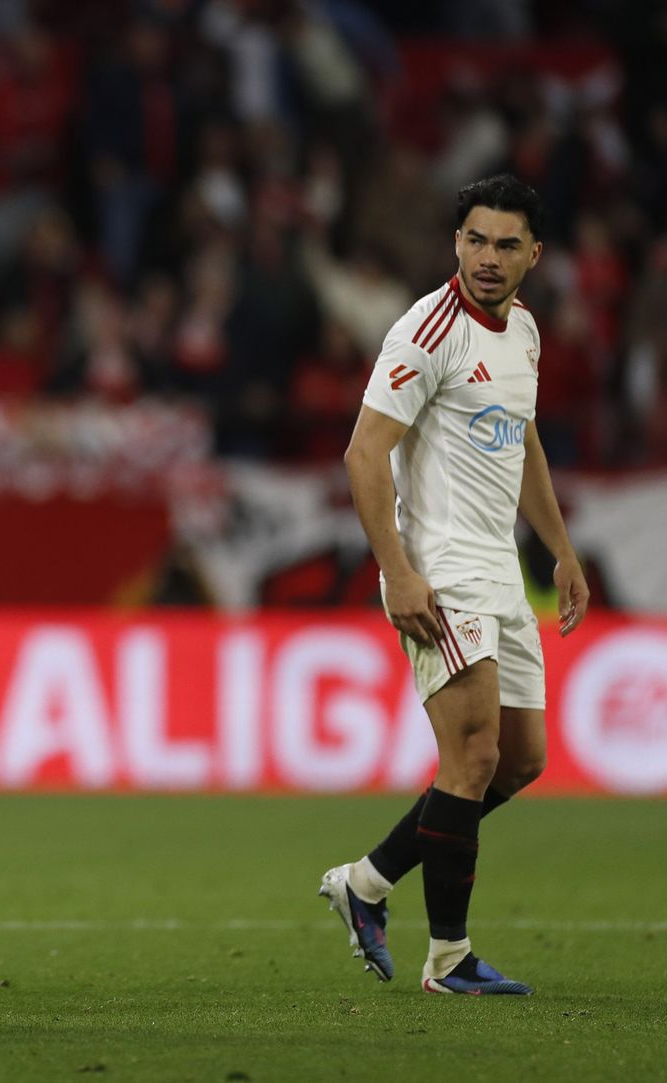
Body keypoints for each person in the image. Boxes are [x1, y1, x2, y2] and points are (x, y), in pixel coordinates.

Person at [322, 174, 589, 995]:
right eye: (476, 239)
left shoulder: (526, 335)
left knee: (519, 761)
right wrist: (397, 570)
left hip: (501, 572)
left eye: (507, 244)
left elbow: (523, 440)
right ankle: (449, 958)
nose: (488, 257)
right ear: (456, 244)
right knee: (470, 753)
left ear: (533, 257)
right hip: (439, 569)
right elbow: (364, 454)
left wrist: (561, 549)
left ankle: (366, 883)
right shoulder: (426, 330)